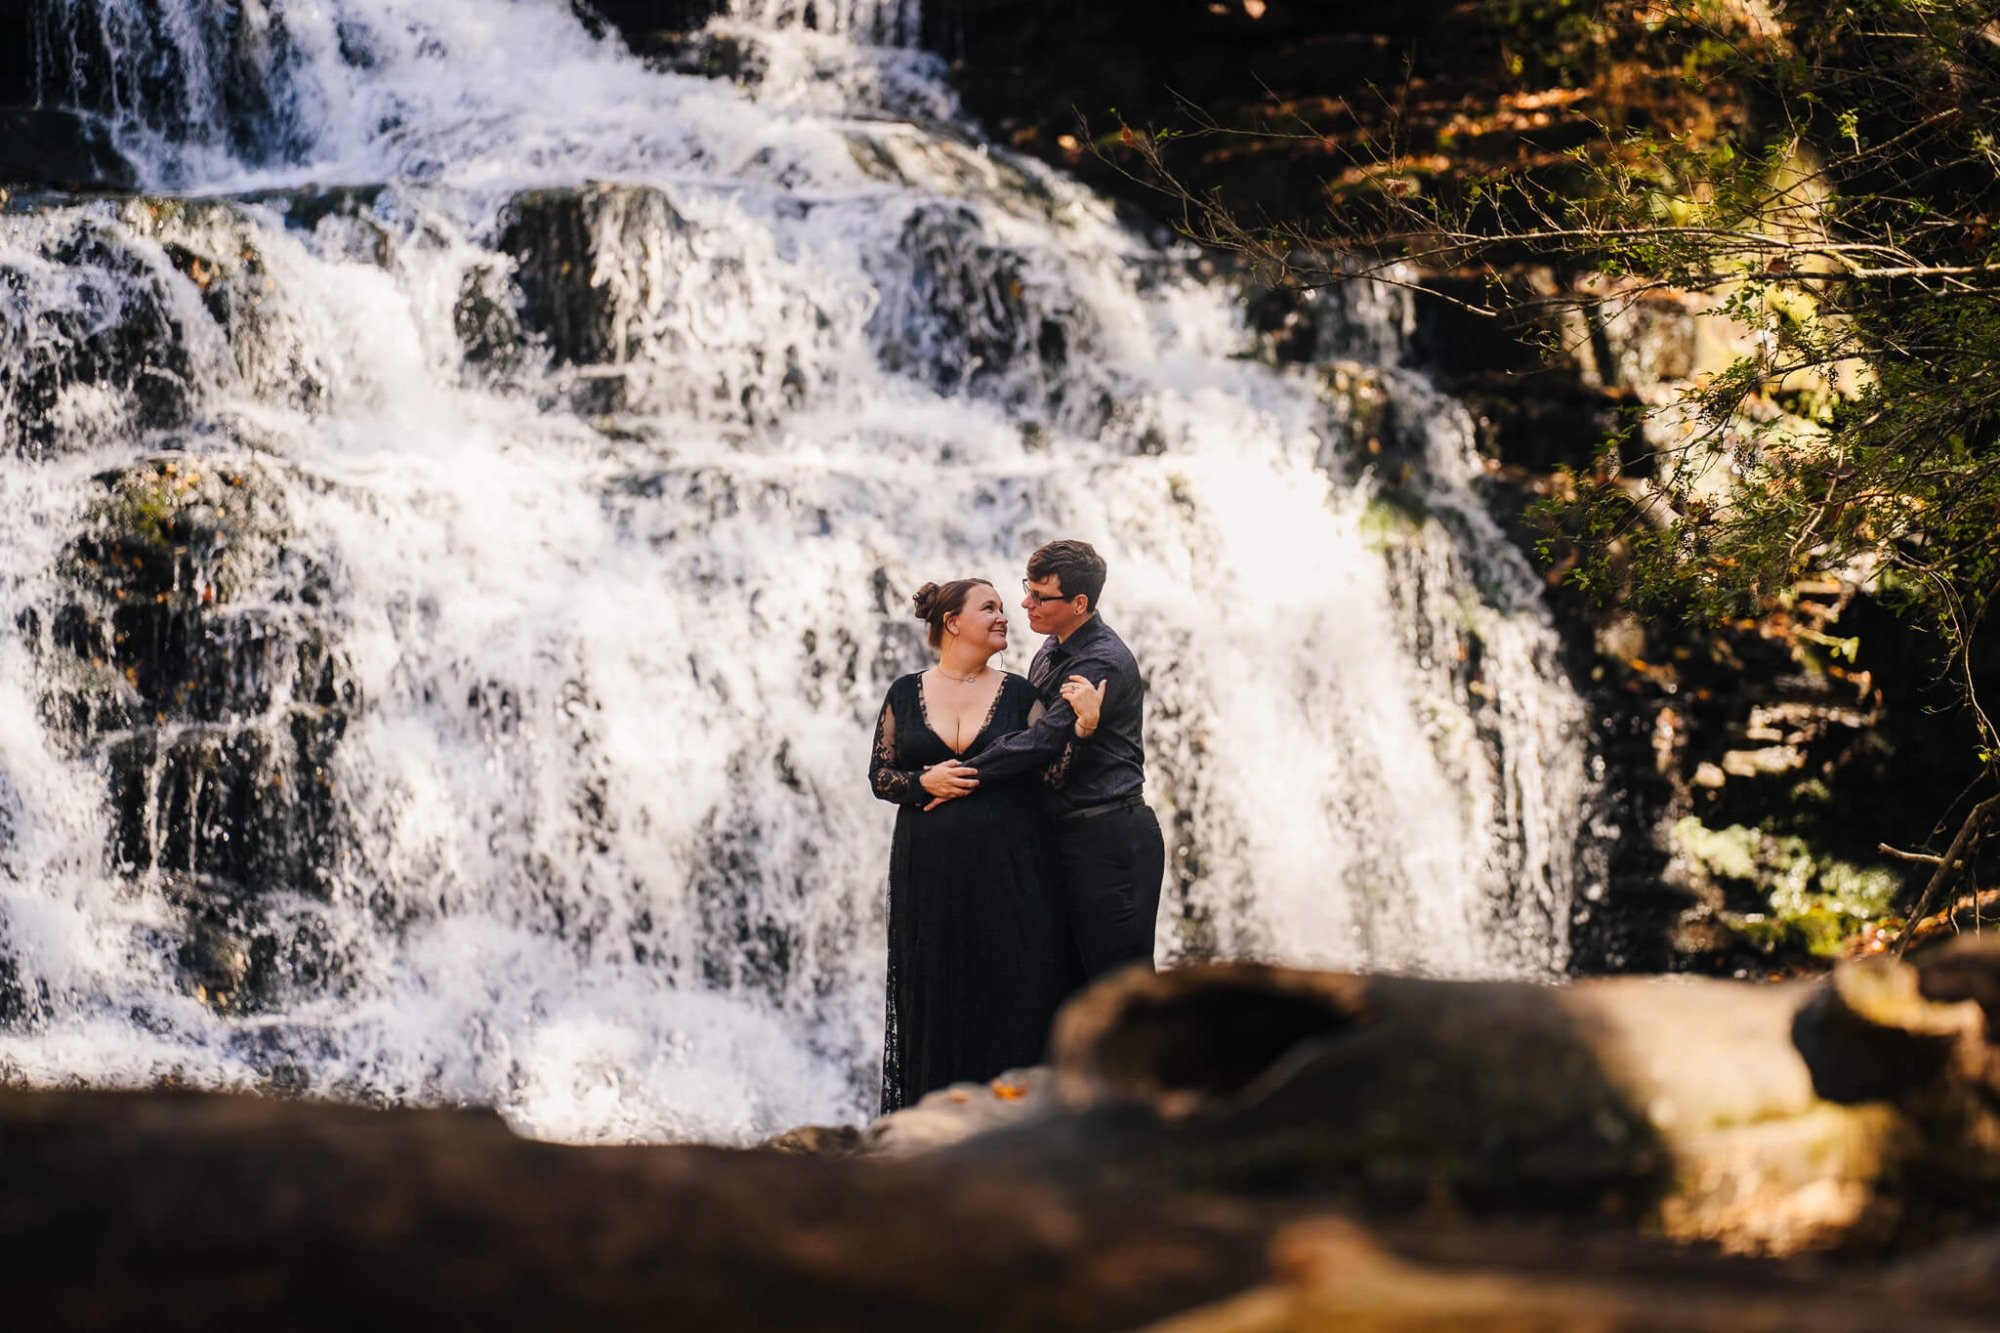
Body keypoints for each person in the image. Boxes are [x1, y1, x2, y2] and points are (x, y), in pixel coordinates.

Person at [868, 577, 1102, 1114]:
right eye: (989, 608)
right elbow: (881, 776)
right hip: (928, 874)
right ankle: (934, 1125)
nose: (1004, 616)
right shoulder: (903, 692)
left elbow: (1052, 775)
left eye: (1002, 607)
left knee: (1010, 988)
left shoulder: (1020, 694)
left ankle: (1014, 1124)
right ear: (952, 622)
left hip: (1011, 870)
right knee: (934, 994)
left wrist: (1084, 728)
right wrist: (922, 782)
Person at [925, 540, 1164, 981]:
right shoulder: (1051, 648)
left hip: (1107, 838)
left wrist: (962, 775)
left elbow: (1040, 742)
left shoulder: (1100, 661)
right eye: (1027, 589)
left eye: (1039, 596)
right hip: (1063, 838)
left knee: (1121, 987)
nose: (1025, 604)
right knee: (1068, 985)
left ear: (1079, 603)